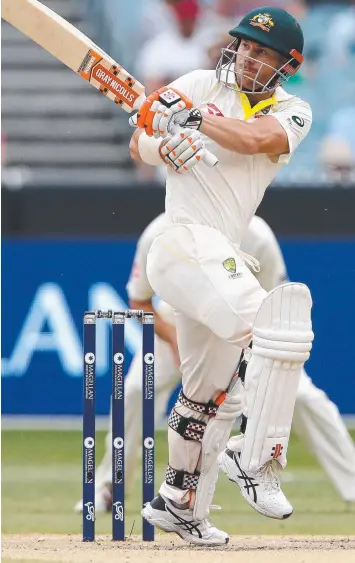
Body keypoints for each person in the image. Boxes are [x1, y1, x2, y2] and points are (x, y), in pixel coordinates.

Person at [129, 6, 313, 545]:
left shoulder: (294, 111)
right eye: (246, 46)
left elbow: (254, 141)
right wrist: (163, 144)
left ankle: (181, 503)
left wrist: (189, 120)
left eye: (263, 52)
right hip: (180, 241)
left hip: (218, 254)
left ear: (287, 66)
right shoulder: (197, 82)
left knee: (211, 394)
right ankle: (254, 456)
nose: (249, 57)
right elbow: (137, 136)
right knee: (278, 327)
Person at [74, 213, 355, 516]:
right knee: (135, 390)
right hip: (177, 328)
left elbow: (274, 307)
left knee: (302, 395)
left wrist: (252, 355)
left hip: (245, 332)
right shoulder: (158, 232)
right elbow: (139, 301)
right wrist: (175, 343)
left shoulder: (257, 236)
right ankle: (109, 487)